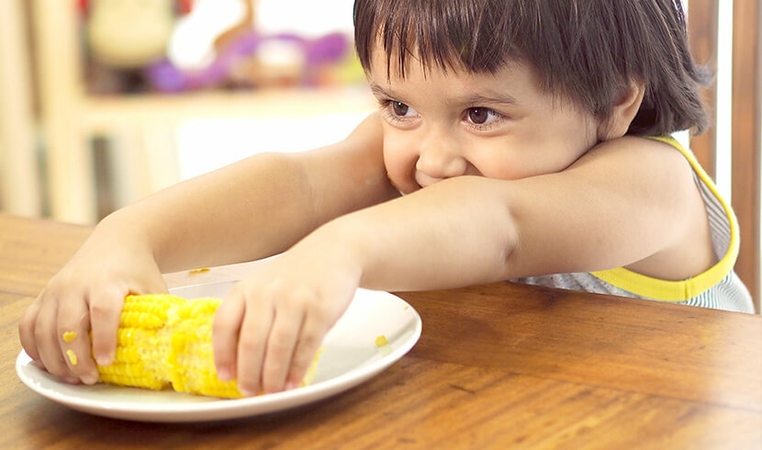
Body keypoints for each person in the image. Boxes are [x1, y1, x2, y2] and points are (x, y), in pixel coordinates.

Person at [19, 0, 754, 397]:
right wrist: (125, 239)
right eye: (397, 106)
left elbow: (501, 226)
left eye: (480, 114)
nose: (429, 156)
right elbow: (298, 181)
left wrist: (339, 250)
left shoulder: (650, 184)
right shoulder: (433, 149)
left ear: (616, 100)